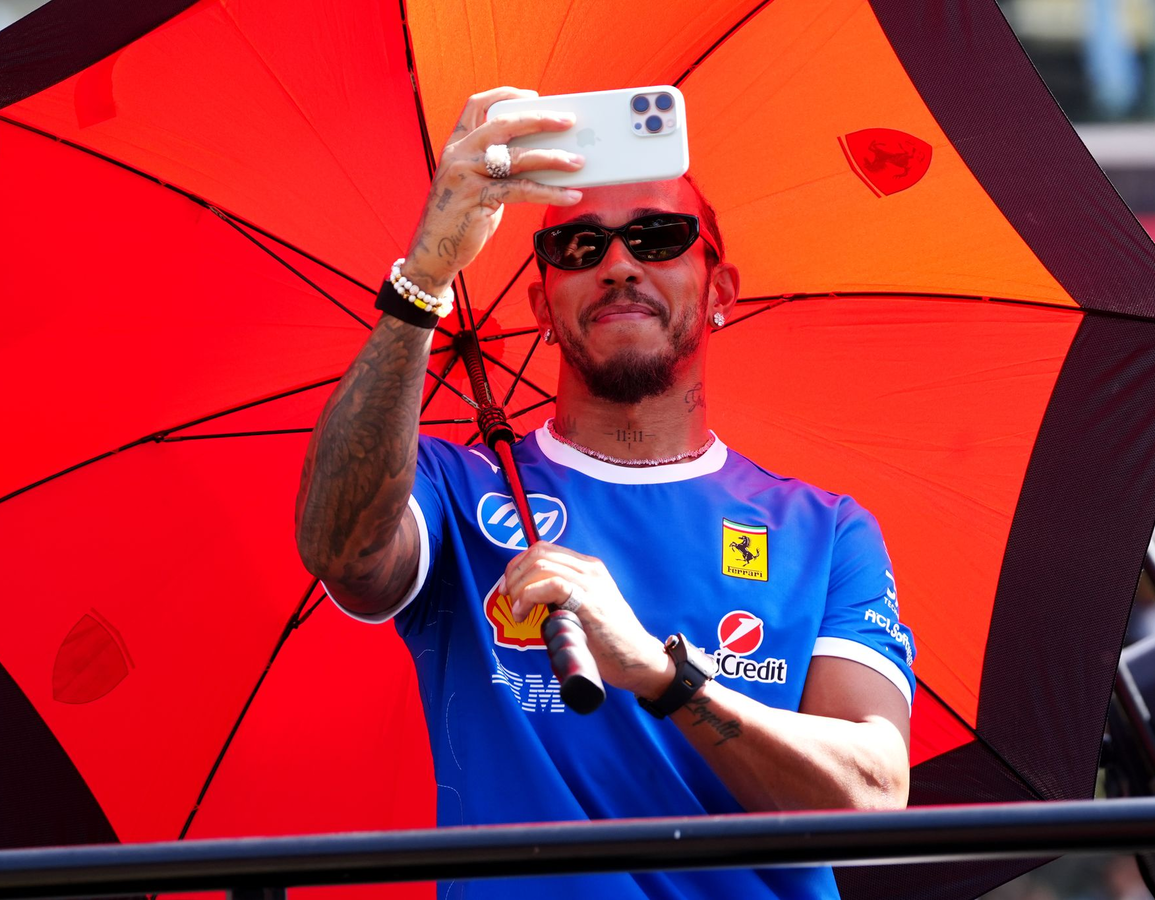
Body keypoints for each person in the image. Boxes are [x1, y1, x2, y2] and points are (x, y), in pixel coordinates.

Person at [295, 87, 916, 900]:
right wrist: (426, 276)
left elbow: (872, 797)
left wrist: (662, 676)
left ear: (721, 289)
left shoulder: (827, 531)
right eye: (579, 246)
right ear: (542, 306)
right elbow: (338, 547)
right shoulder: (453, 488)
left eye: (658, 237)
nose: (618, 265)